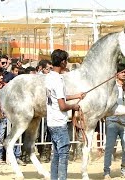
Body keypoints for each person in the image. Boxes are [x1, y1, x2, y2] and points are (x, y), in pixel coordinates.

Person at [45, 49, 85, 180]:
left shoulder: (49, 77)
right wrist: (74, 106)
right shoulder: (58, 80)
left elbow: (59, 97)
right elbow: (62, 106)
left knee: (56, 155)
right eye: (66, 61)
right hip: (59, 122)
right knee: (63, 156)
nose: (67, 63)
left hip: (51, 121)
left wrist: (76, 96)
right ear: (62, 62)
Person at [103, 63, 125, 179]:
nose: (124, 74)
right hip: (112, 121)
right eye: (122, 72)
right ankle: (106, 171)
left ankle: (124, 169)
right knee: (109, 148)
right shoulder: (111, 86)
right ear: (117, 74)